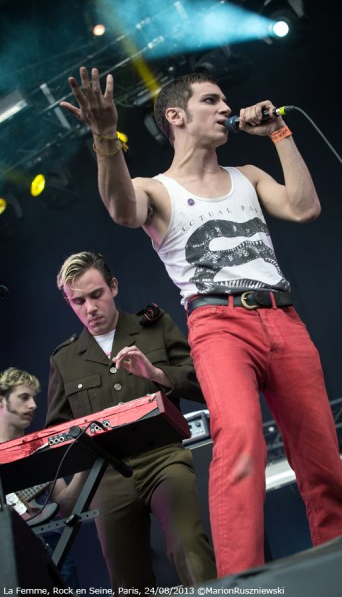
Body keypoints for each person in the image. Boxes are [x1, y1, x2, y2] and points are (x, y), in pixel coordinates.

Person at [59, 68, 342, 578]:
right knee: (240, 439)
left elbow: (306, 208)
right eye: (212, 100)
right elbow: (119, 209)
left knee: (322, 455)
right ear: (177, 116)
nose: (226, 108)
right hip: (218, 323)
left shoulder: (249, 174)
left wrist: (280, 135)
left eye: (225, 100)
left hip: (282, 318)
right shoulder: (156, 189)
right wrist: (106, 138)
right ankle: (240, 584)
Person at [45, 250, 216, 591]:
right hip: (106, 478)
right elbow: (57, 434)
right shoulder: (65, 359)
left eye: (96, 295)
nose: (90, 308)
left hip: (164, 459)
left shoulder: (153, 326)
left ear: (114, 287)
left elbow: (202, 382)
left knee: (188, 546)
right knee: (126, 579)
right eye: (78, 301)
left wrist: (155, 373)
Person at [0, 366, 84, 589]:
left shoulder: (41, 451)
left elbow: (65, 505)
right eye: (24, 397)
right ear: (1, 401)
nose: (33, 405)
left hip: (49, 545)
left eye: (34, 398)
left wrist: (84, 470)